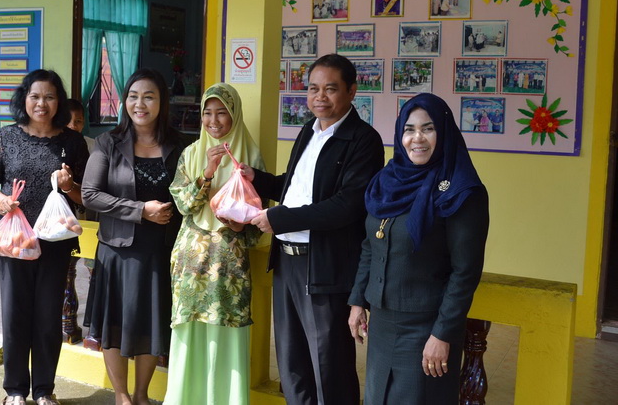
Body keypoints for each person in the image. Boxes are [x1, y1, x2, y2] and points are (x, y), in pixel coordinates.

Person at [248, 54, 385, 405]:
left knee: (329, 367)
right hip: (287, 263)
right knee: (292, 365)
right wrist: (257, 179)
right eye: (312, 88)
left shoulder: (363, 140)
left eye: (330, 89)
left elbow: (347, 205)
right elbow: (295, 187)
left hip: (325, 267)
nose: (319, 97)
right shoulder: (308, 130)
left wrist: (280, 219)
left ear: (352, 91)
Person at [348, 93, 489, 405]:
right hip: (382, 321)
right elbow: (371, 244)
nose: (417, 138)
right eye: (409, 129)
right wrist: (358, 301)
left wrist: (442, 334)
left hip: (427, 327)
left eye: (428, 128)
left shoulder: (461, 192)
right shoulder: (387, 181)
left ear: (444, 132)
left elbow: (465, 272)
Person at [0, 69, 89, 405]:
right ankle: (14, 390)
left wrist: (69, 185)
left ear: (59, 102)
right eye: (35, 96)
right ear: (24, 99)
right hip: (14, 241)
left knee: (48, 316)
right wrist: (2, 201)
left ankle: (44, 390)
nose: (42, 103)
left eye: (49, 97)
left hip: (55, 242)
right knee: (15, 314)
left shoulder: (72, 142)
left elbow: (86, 196)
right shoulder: (6, 137)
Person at [81, 68, 184, 405]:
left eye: (149, 97)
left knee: (151, 324)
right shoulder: (108, 143)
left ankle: (141, 395)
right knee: (114, 324)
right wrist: (141, 210)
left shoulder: (179, 145)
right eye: (133, 96)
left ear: (161, 102)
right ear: (125, 101)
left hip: (161, 251)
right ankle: (121, 395)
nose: (140, 104)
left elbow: (189, 195)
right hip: (117, 251)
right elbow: (90, 195)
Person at [165, 83, 266, 405]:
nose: (214, 120)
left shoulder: (250, 157)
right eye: (207, 113)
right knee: (189, 331)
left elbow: (260, 219)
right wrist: (207, 172)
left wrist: (242, 224)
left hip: (229, 266)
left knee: (228, 333)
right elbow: (184, 205)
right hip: (191, 263)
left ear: (234, 115)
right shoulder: (191, 154)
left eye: (222, 113)